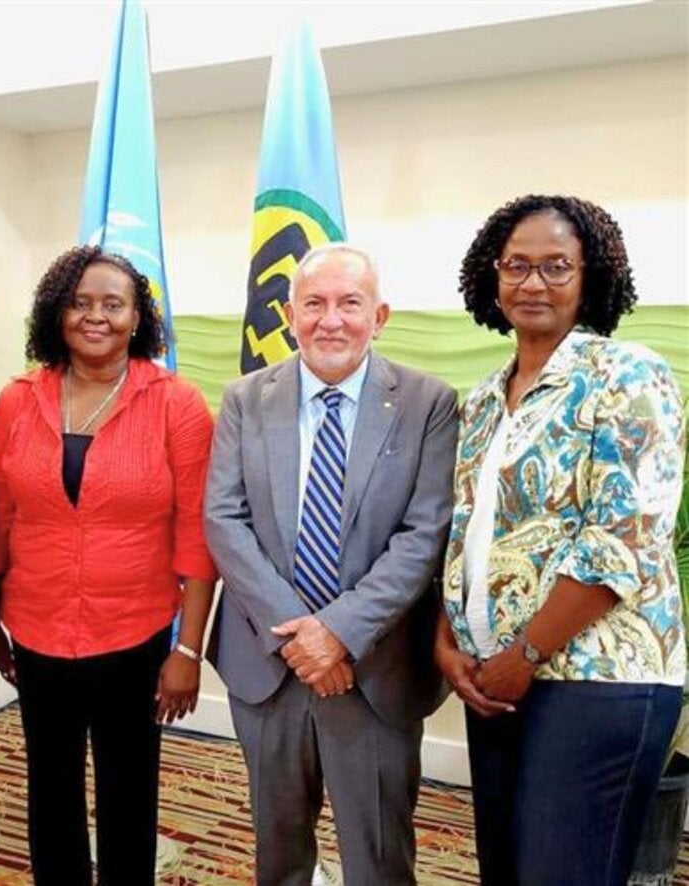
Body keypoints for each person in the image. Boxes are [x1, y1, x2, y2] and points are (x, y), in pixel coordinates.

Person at [435, 195, 686, 885]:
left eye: (556, 266)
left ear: (591, 276)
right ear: (493, 276)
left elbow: (621, 538)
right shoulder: (485, 398)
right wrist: (446, 641)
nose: (533, 282)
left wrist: (527, 652)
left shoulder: (627, 375)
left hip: (598, 681)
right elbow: (464, 531)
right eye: (518, 265)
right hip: (497, 676)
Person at [204, 243, 457, 885]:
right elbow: (224, 520)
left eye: (350, 303)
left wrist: (337, 632)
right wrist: (302, 636)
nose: (331, 320)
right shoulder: (244, 399)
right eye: (313, 303)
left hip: (373, 669)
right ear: (290, 315)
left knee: (377, 856)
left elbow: (423, 533)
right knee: (279, 850)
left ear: (381, 315)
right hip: (269, 666)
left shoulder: (429, 403)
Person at [0, 245, 217, 885]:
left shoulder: (177, 403)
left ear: (138, 317)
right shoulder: (16, 400)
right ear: (56, 315)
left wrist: (187, 650)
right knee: (49, 792)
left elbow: (197, 535)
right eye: (80, 303)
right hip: (36, 629)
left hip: (135, 636)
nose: (96, 317)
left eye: (114, 304)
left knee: (127, 796)